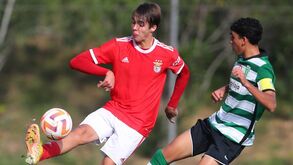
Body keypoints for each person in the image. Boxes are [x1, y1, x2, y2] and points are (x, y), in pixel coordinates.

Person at [24, 2, 190, 165]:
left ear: (153, 28)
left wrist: (172, 105)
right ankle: (40, 152)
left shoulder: (166, 53)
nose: (134, 28)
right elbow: (77, 61)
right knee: (80, 133)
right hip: (113, 109)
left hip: (138, 123)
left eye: (141, 24)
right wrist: (105, 72)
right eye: (133, 22)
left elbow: (184, 73)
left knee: (108, 162)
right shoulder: (118, 46)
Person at [148, 17, 276, 165]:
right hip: (215, 123)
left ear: (243, 40)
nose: (230, 41)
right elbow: (242, 84)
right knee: (161, 156)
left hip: (232, 136)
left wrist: (246, 83)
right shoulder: (242, 59)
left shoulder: (263, 68)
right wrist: (226, 88)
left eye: (233, 37)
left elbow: (271, 103)